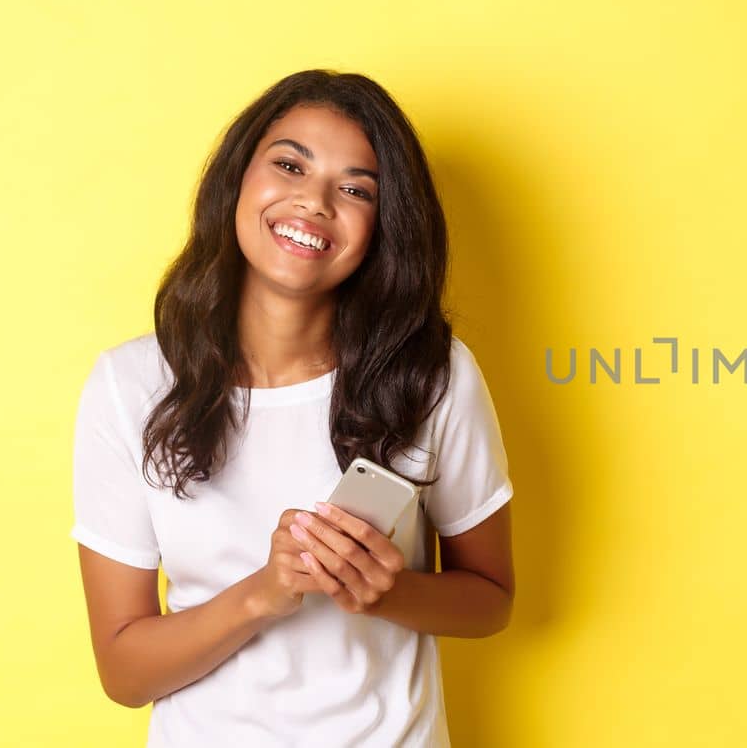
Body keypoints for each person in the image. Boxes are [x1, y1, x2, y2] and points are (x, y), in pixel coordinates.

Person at [70, 69, 515, 747]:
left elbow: (490, 599)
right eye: (289, 164)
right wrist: (264, 592)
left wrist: (383, 590)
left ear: (382, 227)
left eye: (356, 188)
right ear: (238, 181)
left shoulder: (432, 374)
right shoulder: (128, 385)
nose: (314, 202)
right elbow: (125, 676)